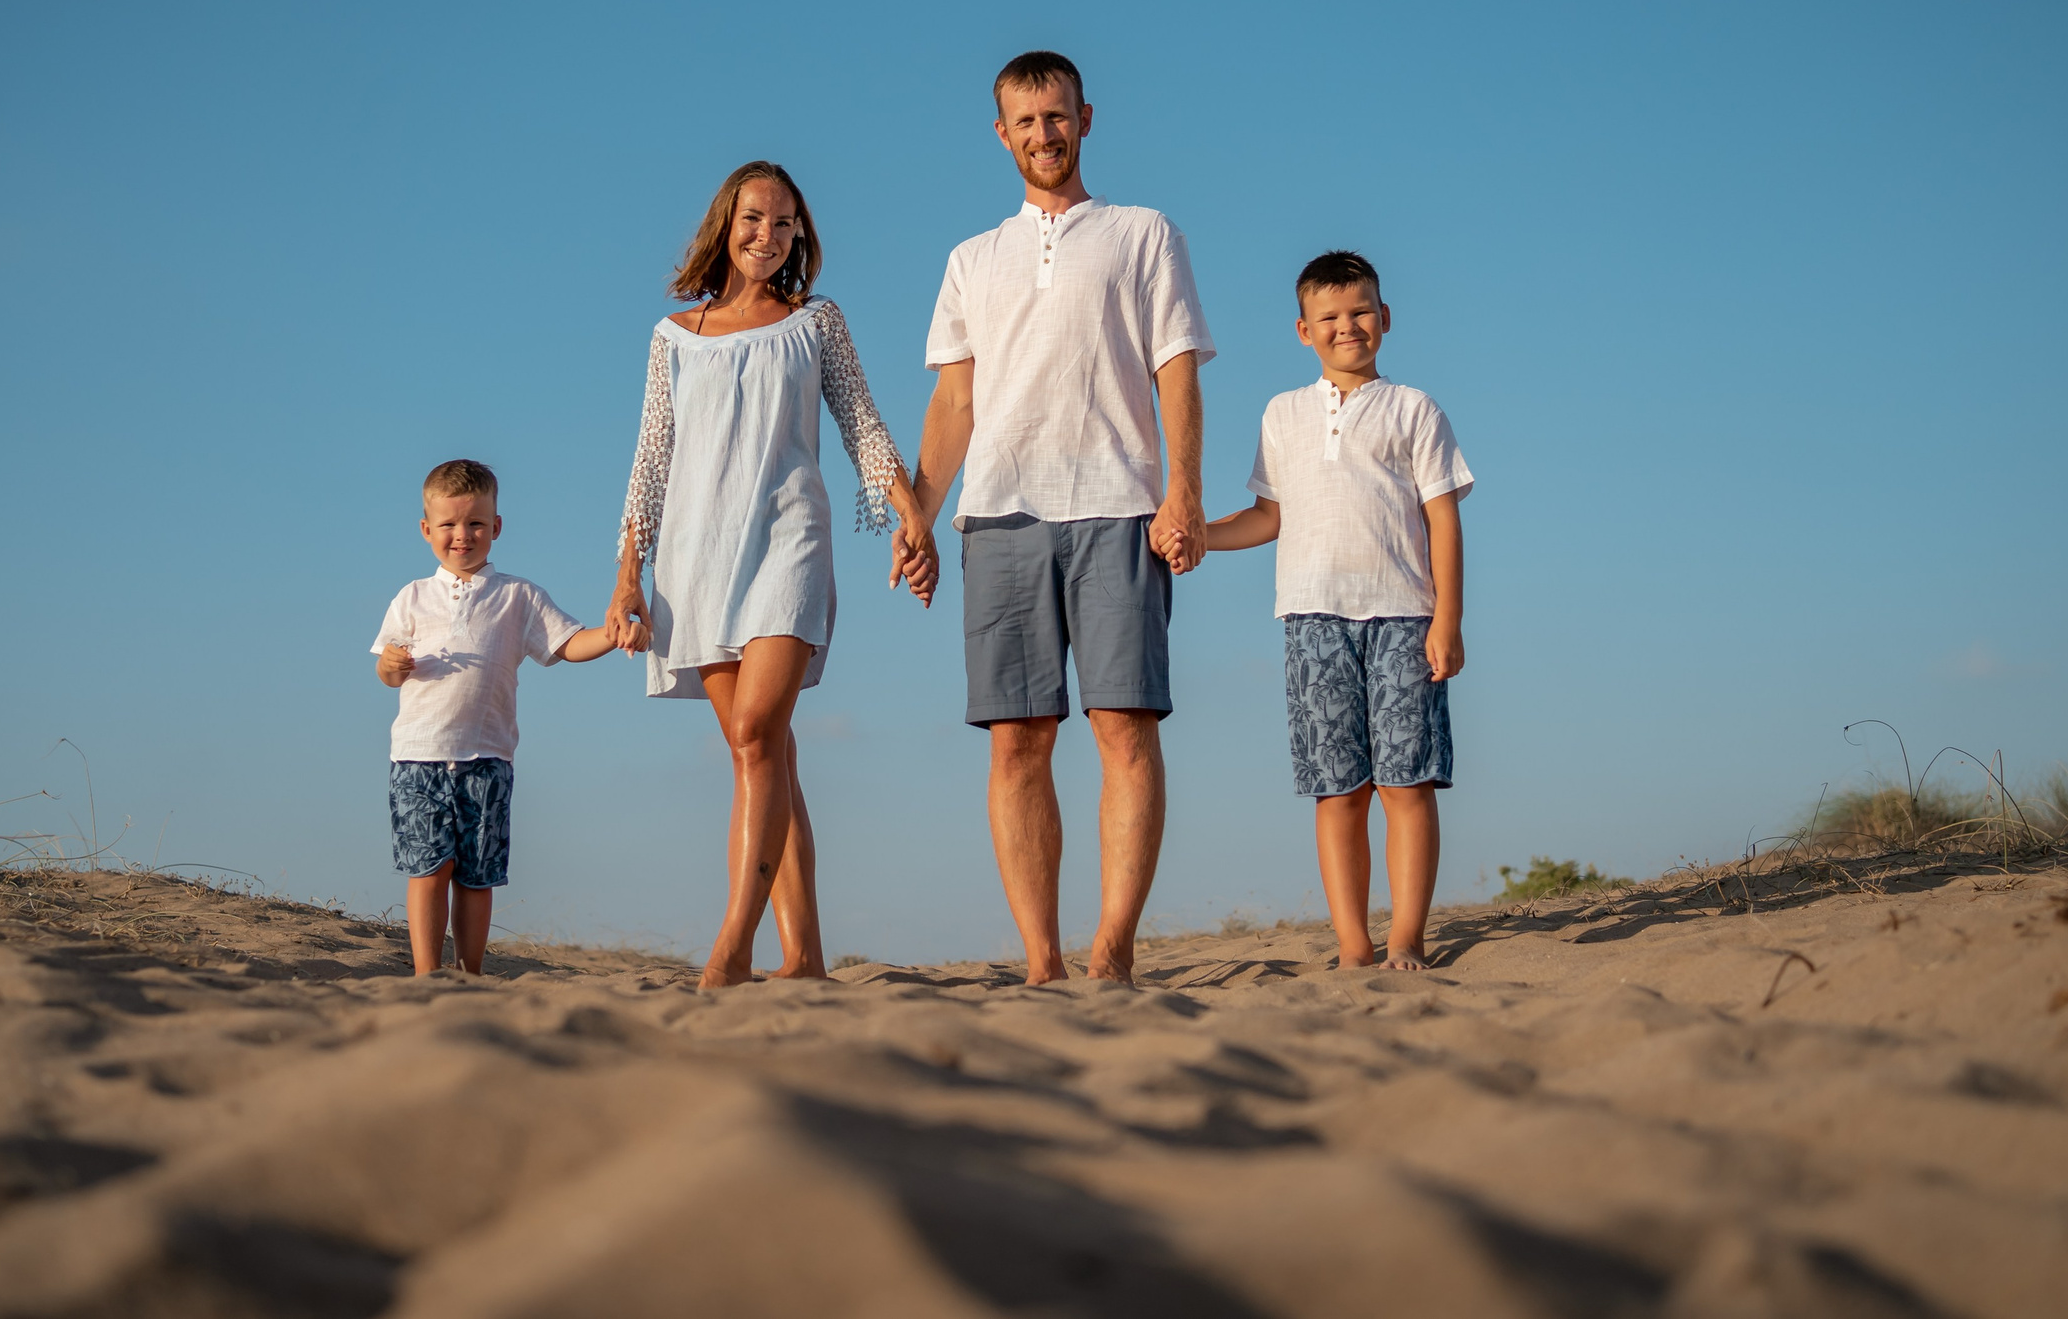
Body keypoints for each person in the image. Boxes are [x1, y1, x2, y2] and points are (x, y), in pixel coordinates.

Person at [909, 51, 1216, 986]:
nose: (1043, 135)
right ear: (1000, 134)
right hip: (999, 515)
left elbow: (1176, 367)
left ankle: (1112, 947)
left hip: (1120, 506)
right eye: (1024, 122)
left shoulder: (1142, 232)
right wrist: (919, 512)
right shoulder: (971, 259)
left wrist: (1184, 491)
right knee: (1018, 740)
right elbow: (955, 403)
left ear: (1086, 117)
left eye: (1057, 117)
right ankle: (1041, 958)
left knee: (1125, 728)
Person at [607, 161, 937, 990]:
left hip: (789, 541)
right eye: (755, 218)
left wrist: (909, 515)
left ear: (800, 236)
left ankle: (732, 948)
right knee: (766, 755)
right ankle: (806, 958)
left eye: (785, 223)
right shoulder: (672, 336)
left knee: (756, 734)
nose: (768, 235)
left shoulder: (815, 323)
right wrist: (628, 575)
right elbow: (652, 460)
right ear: (726, 223)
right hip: (696, 557)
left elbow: (861, 421)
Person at [1203, 250, 1471, 971]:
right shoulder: (1282, 414)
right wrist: (1200, 535)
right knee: (1338, 788)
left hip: (1405, 617)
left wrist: (1448, 618)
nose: (1346, 327)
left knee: (1405, 781)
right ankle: (1354, 944)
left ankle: (1407, 936)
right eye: (1329, 318)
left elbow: (1443, 520)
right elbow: (1267, 517)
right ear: (1303, 330)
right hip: (1311, 619)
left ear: (1384, 318)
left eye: (1359, 313)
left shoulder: (1415, 409)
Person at [371, 458, 619, 976]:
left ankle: (470, 972)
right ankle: (425, 975)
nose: (462, 535)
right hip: (418, 756)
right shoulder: (411, 597)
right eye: (448, 525)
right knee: (429, 868)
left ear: (496, 528)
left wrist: (612, 634)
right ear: (426, 530)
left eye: (476, 523)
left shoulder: (518, 596)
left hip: (488, 756)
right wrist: (391, 664)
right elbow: (388, 671)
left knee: (476, 875)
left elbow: (567, 643)